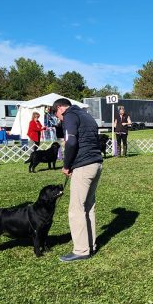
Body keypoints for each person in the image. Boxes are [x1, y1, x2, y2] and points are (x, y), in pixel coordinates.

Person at [52, 98, 103, 262]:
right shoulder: (86, 115)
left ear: (60, 108)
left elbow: (71, 141)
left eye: (56, 115)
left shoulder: (69, 116)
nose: (59, 119)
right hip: (96, 163)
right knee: (88, 206)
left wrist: (67, 165)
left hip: (83, 165)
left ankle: (81, 250)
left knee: (76, 209)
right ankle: (90, 245)